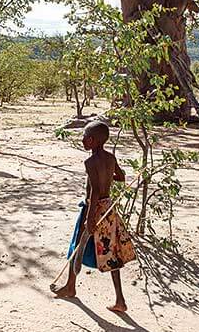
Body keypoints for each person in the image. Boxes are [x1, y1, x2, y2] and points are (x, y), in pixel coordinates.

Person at [52, 121, 136, 312]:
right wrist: (107, 178)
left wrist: (89, 219)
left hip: (94, 209)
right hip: (109, 210)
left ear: (92, 140)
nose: (82, 140)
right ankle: (119, 300)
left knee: (77, 245)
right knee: (112, 252)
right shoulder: (110, 158)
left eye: (85, 137)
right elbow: (121, 177)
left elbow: (95, 192)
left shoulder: (90, 162)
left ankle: (70, 287)